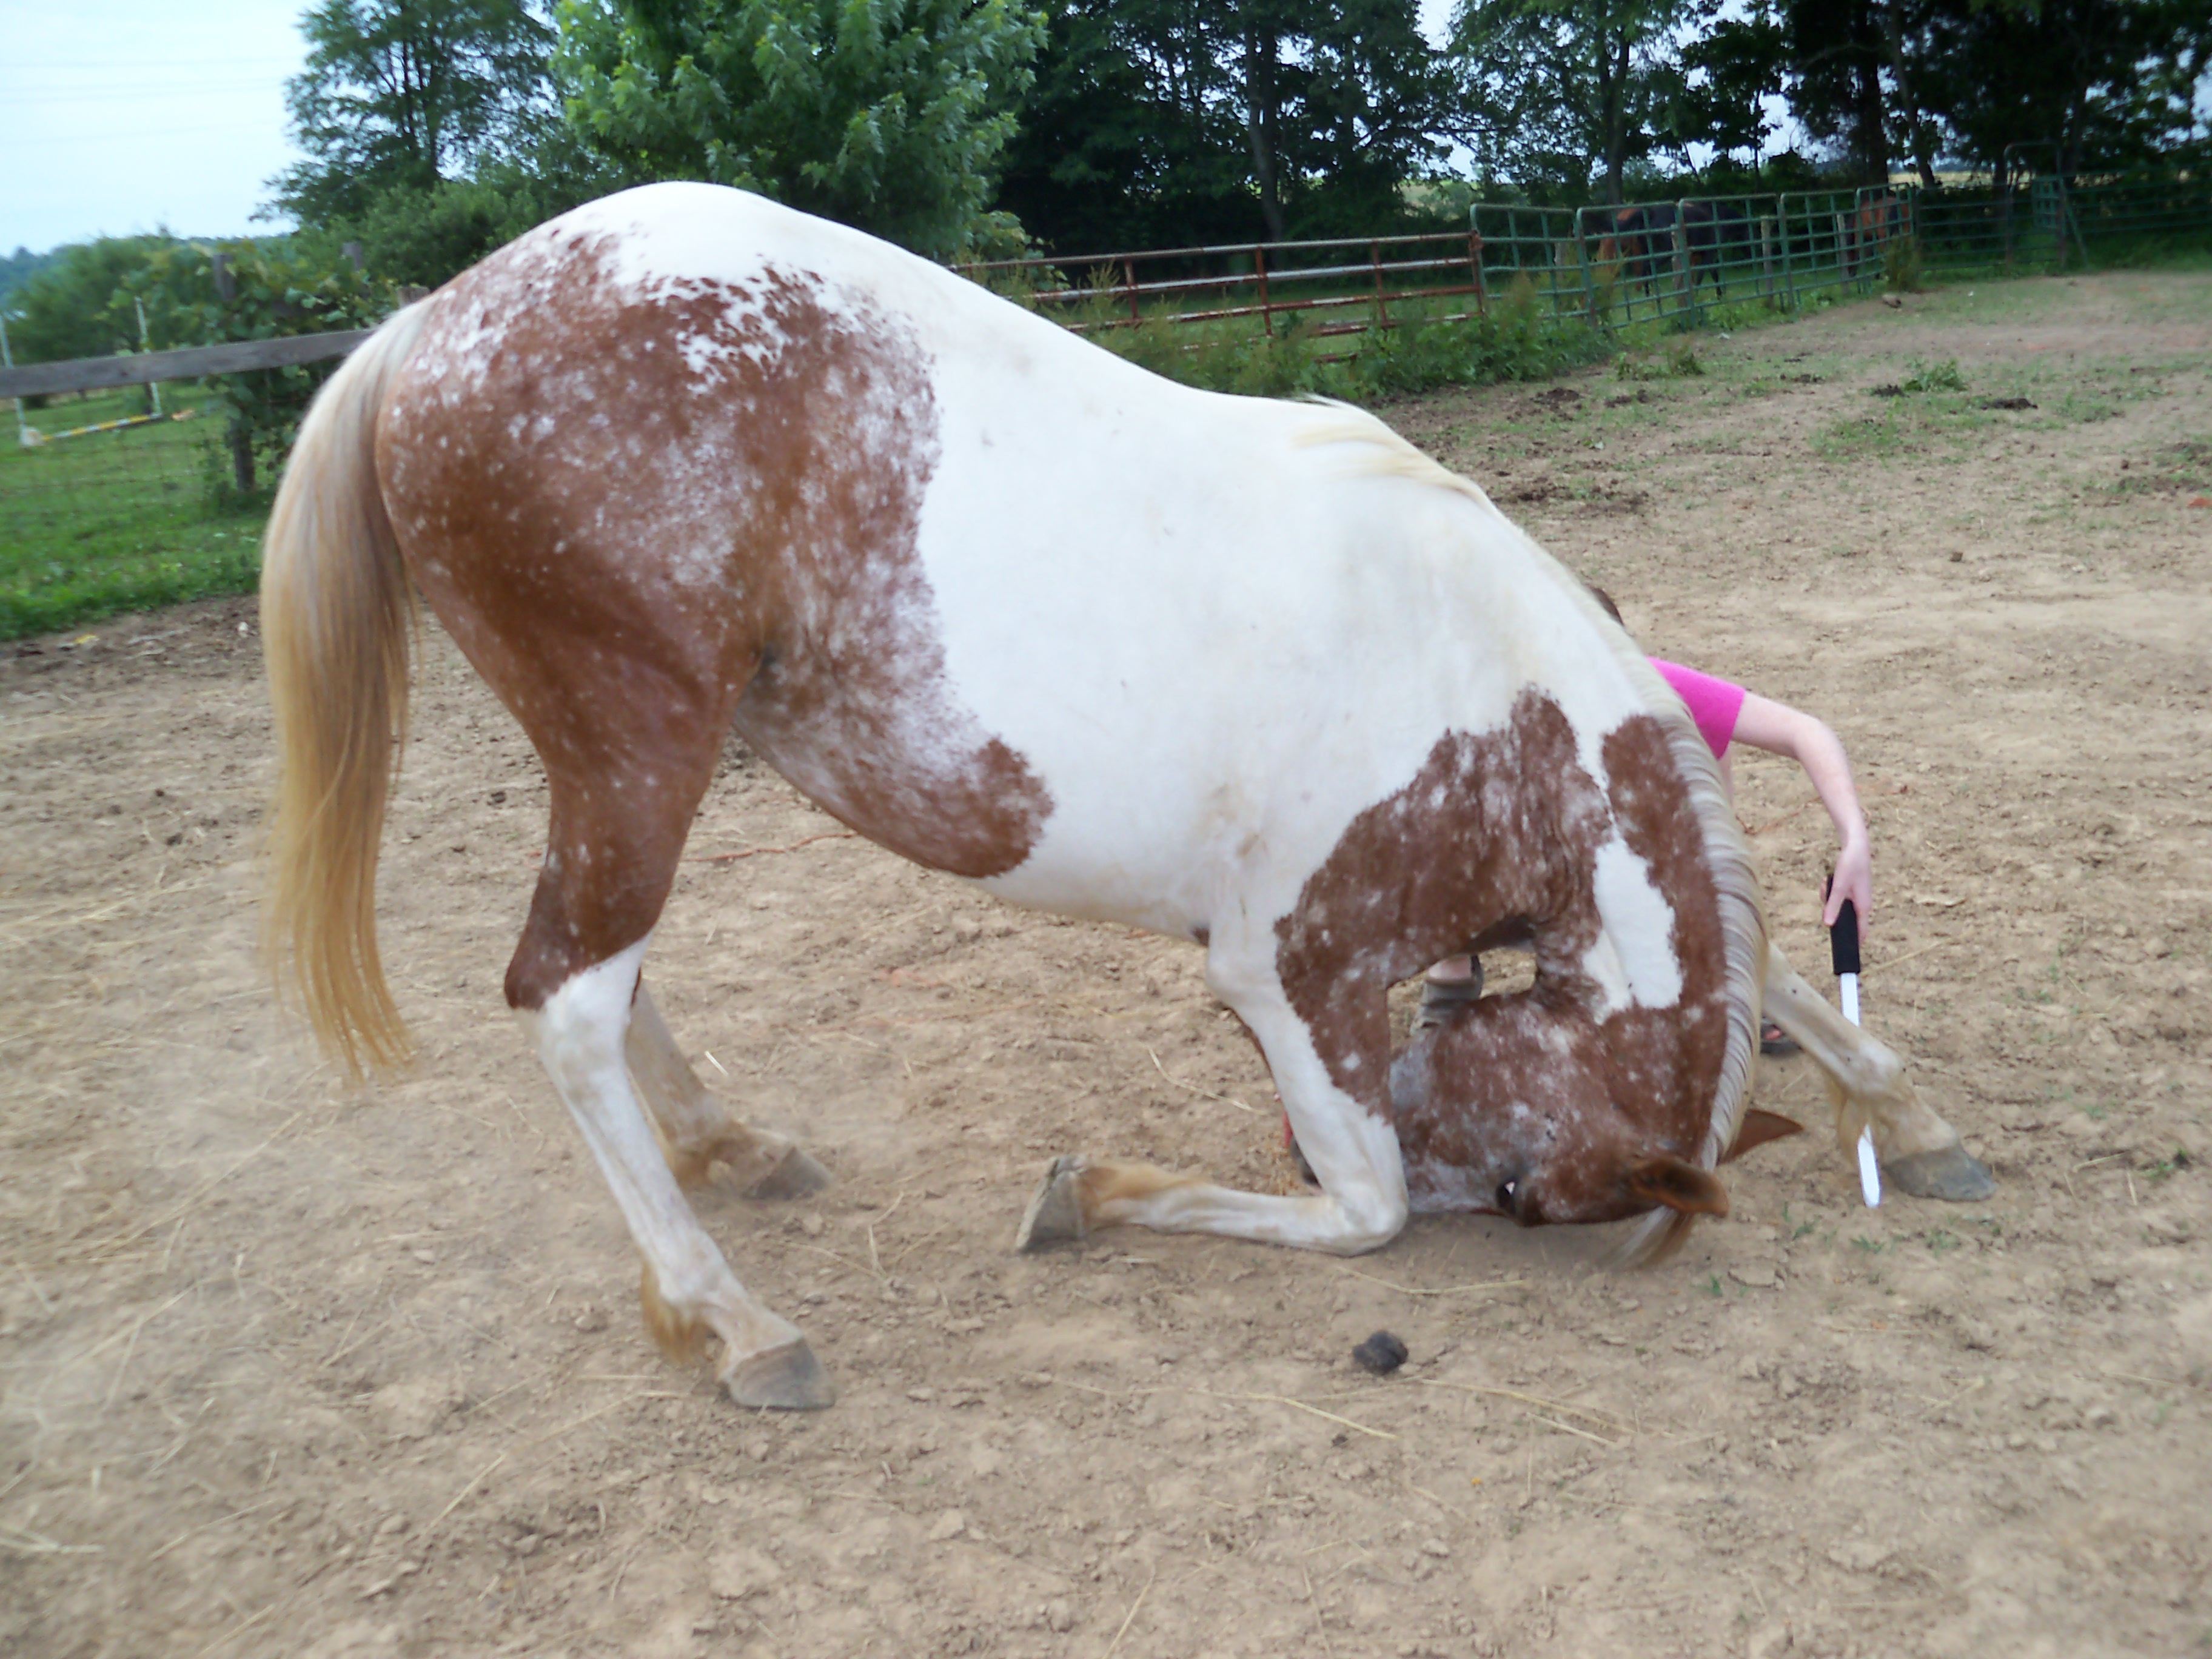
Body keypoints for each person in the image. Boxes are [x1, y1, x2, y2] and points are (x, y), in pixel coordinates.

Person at [1415, 640, 1872, 1056]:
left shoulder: (1650, 686)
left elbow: (1805, 731)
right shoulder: (1494, 712)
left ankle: (1733, 977)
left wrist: (1853, 837)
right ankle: (1449, 987)